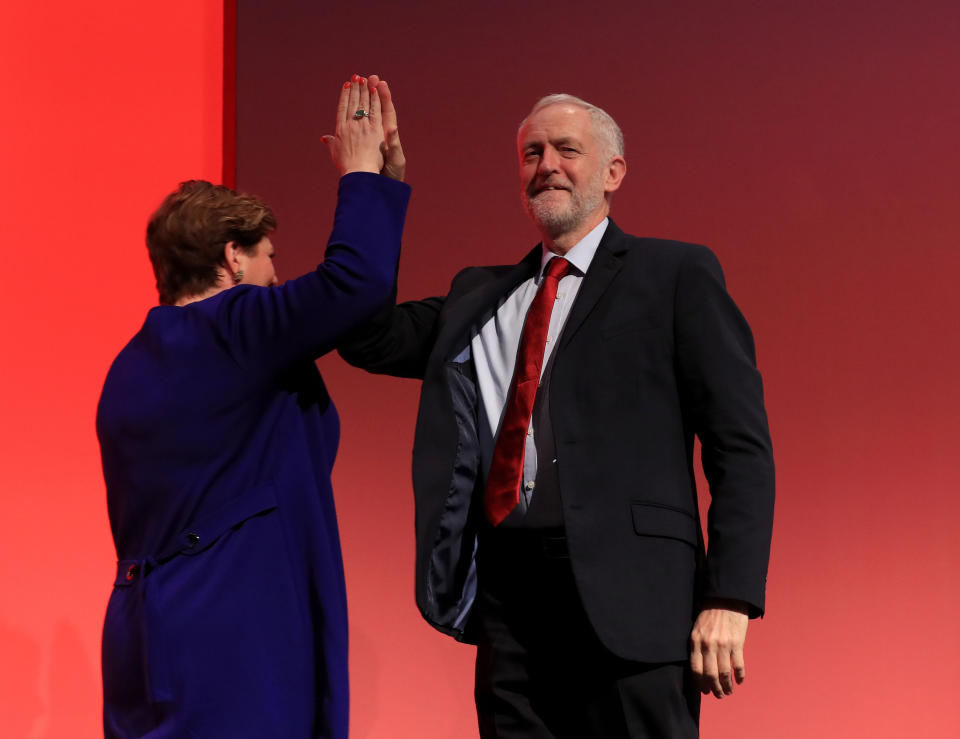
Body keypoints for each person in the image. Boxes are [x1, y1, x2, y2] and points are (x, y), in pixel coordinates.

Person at [339, 93, 775, 738]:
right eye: (531, 154)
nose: (547, 165)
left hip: (636, 599)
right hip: (512, 601)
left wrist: (729, 597)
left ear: (613, 172)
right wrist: (370, 189)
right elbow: (365, 337)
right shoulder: (479, 296)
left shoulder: (675, 273)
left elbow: (740, 446)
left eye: (567, 150)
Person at [96, 76, 407, 738]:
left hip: (141, 636)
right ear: (232, 258)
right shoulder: (235, 326)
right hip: (231, 634)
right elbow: (355, 283)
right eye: (270, 259)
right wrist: (364, 175)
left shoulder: (126, 367)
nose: (276, 276)